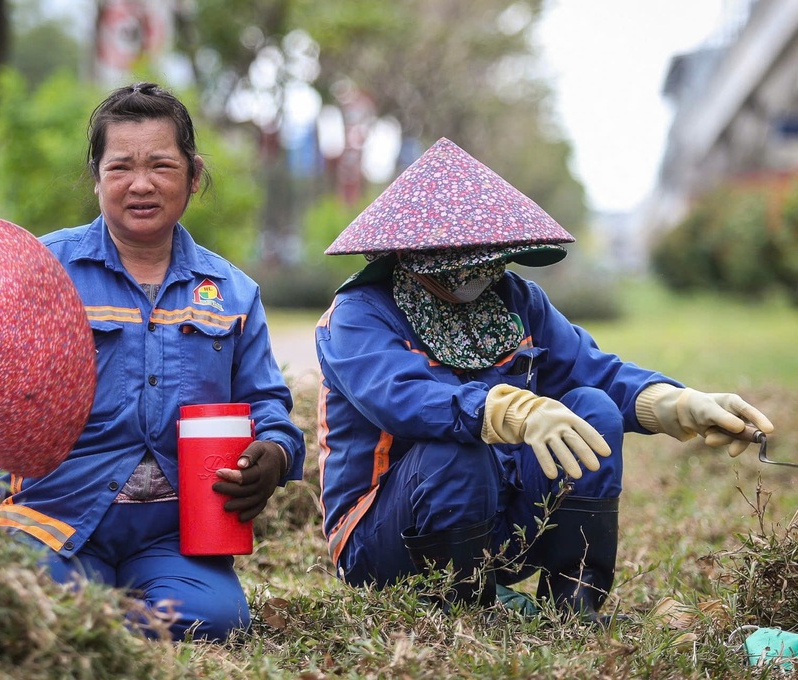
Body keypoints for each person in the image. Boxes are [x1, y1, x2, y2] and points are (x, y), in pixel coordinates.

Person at [0, 82, 306, 641]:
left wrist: (276, 452)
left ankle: (88, 620)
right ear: (97, 177)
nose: (141, 184)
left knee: (219, 620)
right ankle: (89, 611)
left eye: (161, 165)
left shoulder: (232, 292)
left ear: (194, 175)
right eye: (120, 167)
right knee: (20, 596)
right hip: (50, 516)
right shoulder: (38, 269)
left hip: (176, 534)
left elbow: (266, 403)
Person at [314, 138, 775, 623]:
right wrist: (510, 411)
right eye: (466, 257)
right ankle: (463, 609)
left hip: (498, 522)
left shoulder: (515, 301)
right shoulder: (357, 316)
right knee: (456, 448)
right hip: (382, 542)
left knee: (593, 410)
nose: (481, 269)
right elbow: (402, 397)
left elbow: (592, 370)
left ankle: (572, 604)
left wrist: (674, 403)